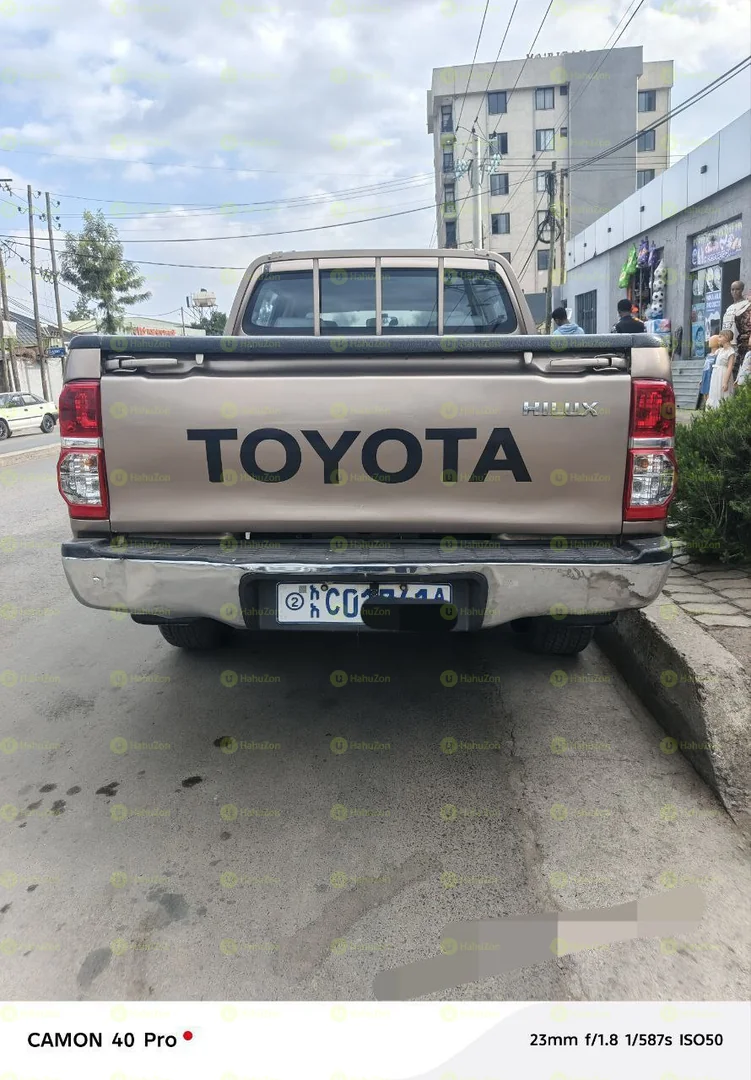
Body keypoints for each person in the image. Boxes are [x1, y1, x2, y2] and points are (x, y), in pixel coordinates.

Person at [721, 280, 751, 378]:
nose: (734, 292)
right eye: (732, 289)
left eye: (737, 289)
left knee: (739, 373)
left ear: (742, 290)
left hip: (742, 344)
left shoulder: (747, 305)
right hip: (728, 344)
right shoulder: (729, 308)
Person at [705, 329, 735, 409]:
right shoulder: (720, 351)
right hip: (716, 375)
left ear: (726, 337)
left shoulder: (730, 352)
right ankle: (713, 410)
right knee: (715, 393)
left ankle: (722, 410)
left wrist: (725, 382)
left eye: (720, 337)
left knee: (722, 394)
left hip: (723, 375)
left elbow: (730, 367)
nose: (718, 339)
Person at [697, 334, 719, 409]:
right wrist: (702, 379)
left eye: (712, 340)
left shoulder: (718, 354)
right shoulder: (708, 355)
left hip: (712, 376)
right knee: (704, 393)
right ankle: (706, 409)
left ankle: (710, 410)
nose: (710, 341)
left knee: (710, 394)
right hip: (705, 376)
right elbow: (705, 367)